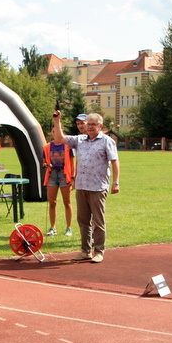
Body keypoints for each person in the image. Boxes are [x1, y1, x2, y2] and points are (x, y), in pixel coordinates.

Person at [52, 111, 120, 263]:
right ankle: (85, 251)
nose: (89, 127)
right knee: (83, 220)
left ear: (100, 126)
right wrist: (57, 121)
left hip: (97, 186)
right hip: (82, 185)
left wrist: (116, 182)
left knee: (98, 221)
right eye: (88, 124)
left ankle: (99, 251)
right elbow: (59, 139)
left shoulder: (106, 141)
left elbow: (115, 161)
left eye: (93, 124)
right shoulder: (80, 140)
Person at [43, 137, 75, 237]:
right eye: (53, 132)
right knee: (52, 202)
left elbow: (72, 162)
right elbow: (44, 161)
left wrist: (73, 177)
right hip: (52, 174)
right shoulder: (47, 147)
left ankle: (69, 228)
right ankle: (53, 228)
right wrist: (46, 164)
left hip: (64, 175)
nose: (55, 134)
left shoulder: (68, 146)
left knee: (67, 202)